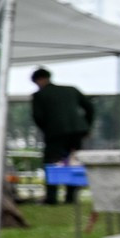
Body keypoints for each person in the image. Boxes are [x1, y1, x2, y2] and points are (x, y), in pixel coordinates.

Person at [30, 67, 93, 204]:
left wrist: (47, 129)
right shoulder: (71, 90)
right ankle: (71, 197)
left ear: (38, 80)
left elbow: (38, 117)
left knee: (52, 163)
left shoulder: (39, 95)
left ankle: (52, 197)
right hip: (76, 132)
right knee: (73, 162)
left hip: (55, 134)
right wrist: (87, 126)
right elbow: (89, 107)